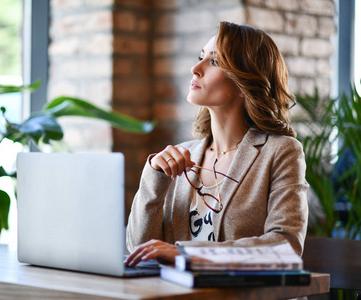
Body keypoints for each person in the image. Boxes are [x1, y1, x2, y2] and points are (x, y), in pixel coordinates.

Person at [125, 22, 309, 267]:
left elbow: (285, 246)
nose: (195, 68)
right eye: (201, 57)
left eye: (214, 62)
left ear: (245, 83)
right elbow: (138, 250)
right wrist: (154, 178)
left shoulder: (281, 151)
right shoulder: (181, 155)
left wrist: (186, 254)